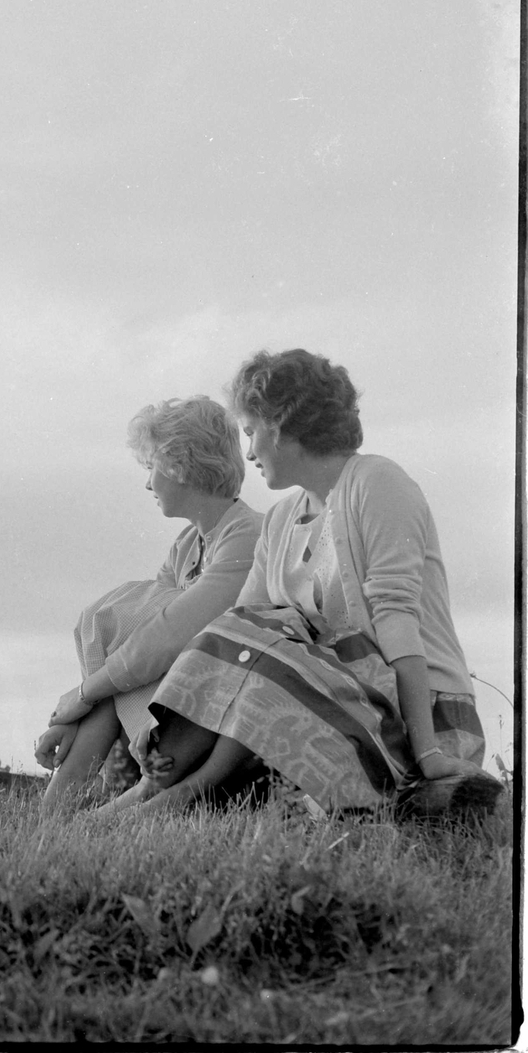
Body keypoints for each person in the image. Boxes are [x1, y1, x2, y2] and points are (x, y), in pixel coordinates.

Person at [102, 349, 487, 818]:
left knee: (265, 638)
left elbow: (396, 614)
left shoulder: (377, 482)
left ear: (281, 424)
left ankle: (186, 791)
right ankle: (153, 788)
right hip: (321, 707)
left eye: (250, 432)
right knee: (242, 630)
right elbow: (234, 633)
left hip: (418, 712)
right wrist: (178, 710)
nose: (248, 452)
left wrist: (425, 749)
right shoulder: (282, 519)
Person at [35, 396, 262, 813]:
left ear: (180, 466)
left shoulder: (247, 537)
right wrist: (73, 714)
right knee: (130, 646)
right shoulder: (187, 545)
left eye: (151, 469)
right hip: (183, 704)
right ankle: (53, 817)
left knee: (128, 622)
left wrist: (81, 696)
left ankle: (68, 816)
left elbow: (166, 636)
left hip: (222, 716)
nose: (147, 484)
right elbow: (137, 645)